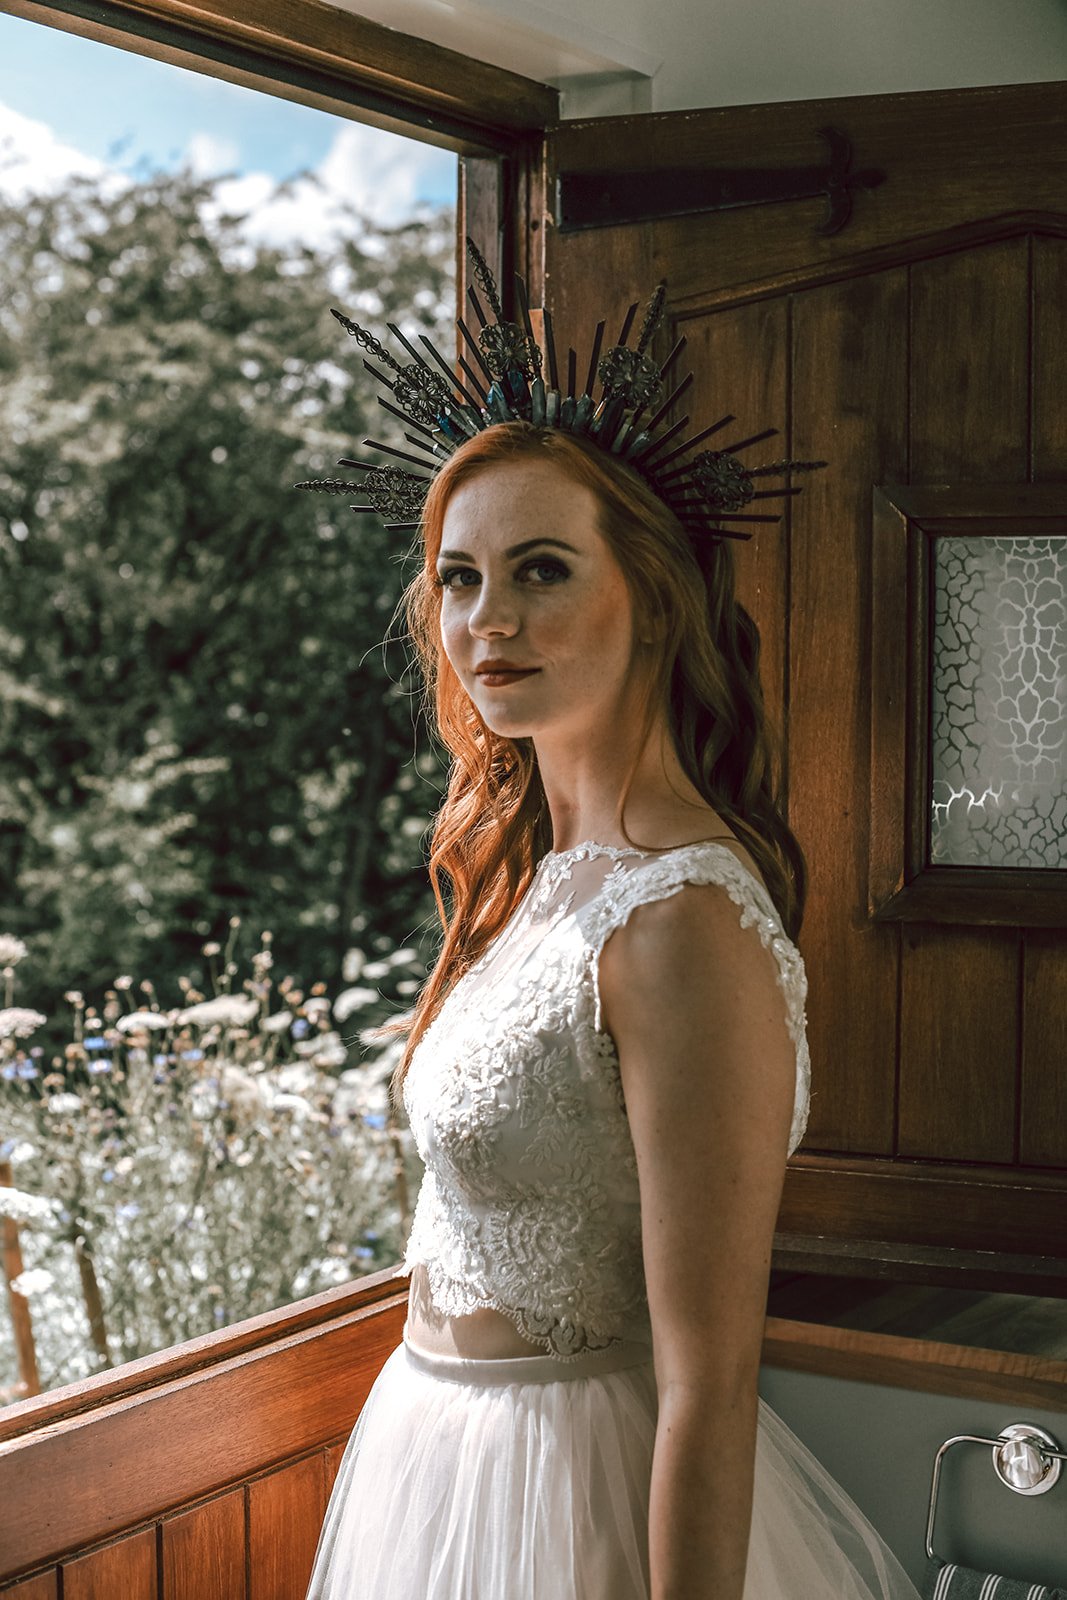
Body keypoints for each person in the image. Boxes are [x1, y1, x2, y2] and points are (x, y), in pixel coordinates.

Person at [302, 250, 921, 1600]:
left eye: (538, 570)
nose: (487, 622)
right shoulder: (541, 872)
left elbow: (710, 1382)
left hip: (570, 1492)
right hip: (436, 1460)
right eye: (459, 580)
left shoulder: (682, 919)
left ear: (649, 600)